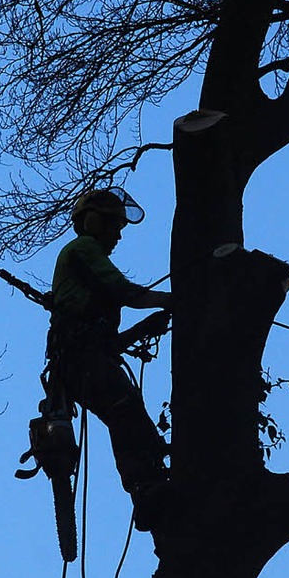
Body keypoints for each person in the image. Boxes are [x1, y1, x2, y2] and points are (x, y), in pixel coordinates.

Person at [48, 187, 172, 531]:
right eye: (113, 225)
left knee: (127, 411)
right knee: (124, 408)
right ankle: (146, 486)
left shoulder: (81, 261)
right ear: (92, 222)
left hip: (83, 358)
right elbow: (125, 292)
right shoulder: (83, 249)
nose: (118, 235)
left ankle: (151, 483)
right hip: (82, 357)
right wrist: (169, 300)